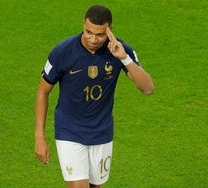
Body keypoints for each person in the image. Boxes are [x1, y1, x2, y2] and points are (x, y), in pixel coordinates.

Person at [35, 5, 154, 188]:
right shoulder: (62, 52)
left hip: (102, 132)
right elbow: (43, 91)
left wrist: (124, 58)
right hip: (69, 130)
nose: (93, 39)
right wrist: (40, 138)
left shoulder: (120, 50)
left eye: (99, 35)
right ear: (83, 24)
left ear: (109, 30)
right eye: (88, 32)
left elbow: (148, 88)